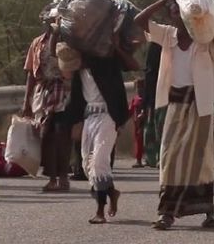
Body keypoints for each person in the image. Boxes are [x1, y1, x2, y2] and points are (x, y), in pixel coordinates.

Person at [135, 0, 214, 231]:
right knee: (169, 158)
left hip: (200, 106)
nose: (174, 13)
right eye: (173, 10)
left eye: (178, 9)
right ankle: (167, 212)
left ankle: (208, 211)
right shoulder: (167, 35)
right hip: (176, 104)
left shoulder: (203, 39)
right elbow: (139, 21)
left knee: (200, 160)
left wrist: (212, 34)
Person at [66, 34, 139, 224]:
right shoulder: (79, 70)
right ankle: (112, 192)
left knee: (99, 162)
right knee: (87, 165)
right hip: (89, 117)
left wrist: (116, 47)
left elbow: (133, 65)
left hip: (108, 116)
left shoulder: (106, 62)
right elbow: (59, 60)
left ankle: (100, 211)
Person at [23, 22, 71, 192]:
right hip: (43, 92)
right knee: (46, 135)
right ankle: (52, 177)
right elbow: (31, 72)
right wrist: (26, 101)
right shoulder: (37, 43)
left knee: (61, 134)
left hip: (63, 91)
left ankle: (63, 176)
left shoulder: (68, 41)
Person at [142, 43, 164, 168]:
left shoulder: (151, 71)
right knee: (158, 128)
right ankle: (158, 157)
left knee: (153, 129)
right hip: (158, 98)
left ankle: (153, 158)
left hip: (154, 99)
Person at [129, 79, 146, 168]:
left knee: (143, 141)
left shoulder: (145, 99)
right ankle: (138, 160)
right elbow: (130, 110)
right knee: (138, 141)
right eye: (138, 87)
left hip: (143, 122)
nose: (139, 89)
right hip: (136, 123)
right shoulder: (135, 99)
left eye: (141, 87)